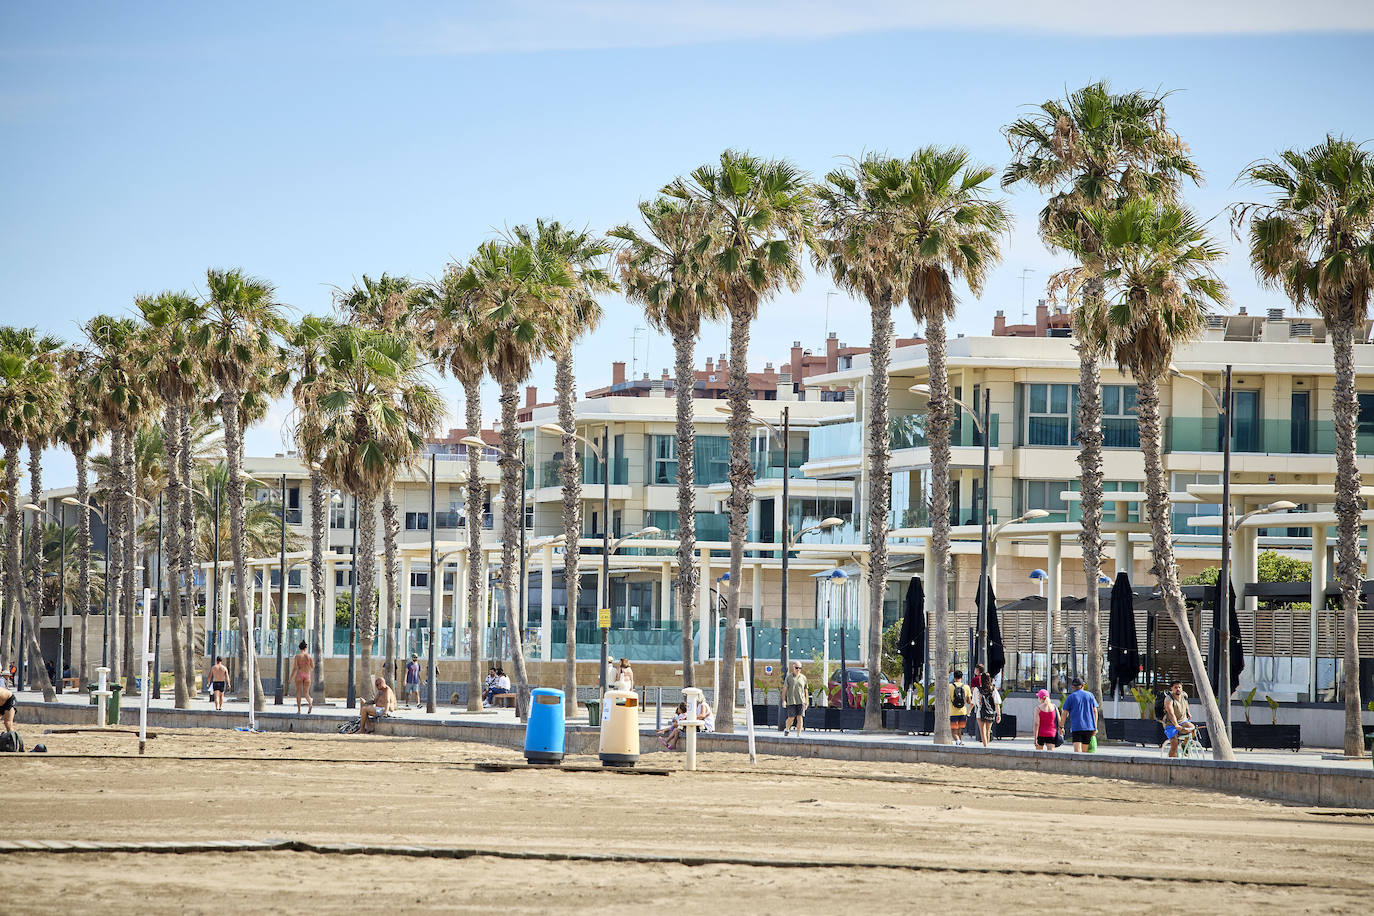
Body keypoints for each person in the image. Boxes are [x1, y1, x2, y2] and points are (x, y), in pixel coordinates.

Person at [1060, 677, 1100, 752]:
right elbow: (1095, 711)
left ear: (1072, 687)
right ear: (1083, 685)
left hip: (1076, 727)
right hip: (1089, 727)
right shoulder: (1090, 695)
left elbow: (1064, 713)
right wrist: (1095, 726)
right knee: (1085, 752)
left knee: (1077, 751)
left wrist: (1061, 726)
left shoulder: (1070, 697)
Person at [1162, 680, 1198, 757]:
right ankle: (1171, 763)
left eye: (1179, 687)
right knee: (1174, 745)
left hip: (1183, 720)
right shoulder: (1168, 699)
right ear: (1171, 688)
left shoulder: (1184, 695)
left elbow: (1186, 702)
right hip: (1170, 723)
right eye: (1175, 687)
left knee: (1193, 729)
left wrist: (1188, 712)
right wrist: (1176, 725)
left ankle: (1184, 745)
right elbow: (1171, 714)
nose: (1178, 689)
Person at [783, 661, 808, 737]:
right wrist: (784, 700)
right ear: (793, 667)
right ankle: (787, 728)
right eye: (796, 668)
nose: (798, 669)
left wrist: (807, 701)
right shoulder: (789, 677)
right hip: (791, 701)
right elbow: (784, 690)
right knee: (791, 718)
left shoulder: (803, 678)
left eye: (800, 668)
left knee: (800, 717)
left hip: (801, 701)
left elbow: (806, 690)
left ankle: (798, 734)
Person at [975, 674, 1001, 746]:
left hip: (980, 712)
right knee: (988, 731)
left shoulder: (977, 689)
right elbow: (997, 703)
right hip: (990, 712)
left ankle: (985, 746)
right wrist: (998, 714)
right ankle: (987, 746)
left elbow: (974, 701)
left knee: (982, 731)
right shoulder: (993, 689)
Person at [948, 669, 972, 745]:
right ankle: (960, 743)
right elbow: (969, 701)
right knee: (959, 730)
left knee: (953, 731)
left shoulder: (950, 687)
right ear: (961, 677)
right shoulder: (966, 687)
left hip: (953, 712)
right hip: (963, 712)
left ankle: (958, 741)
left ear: (954, 678)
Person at [291, 640, 314, 714]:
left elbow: (295, 668)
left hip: (299, 675)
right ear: (305, 648)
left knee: (298, 693)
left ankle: (299, 710)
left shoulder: (297, 656)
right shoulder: (309, 656)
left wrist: (290, 678)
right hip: (307, 675)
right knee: (306, 693)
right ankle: (310, 703)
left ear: (299, 648)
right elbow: (313, 666)